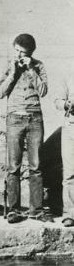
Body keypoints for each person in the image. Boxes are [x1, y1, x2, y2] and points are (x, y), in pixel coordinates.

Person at [0, 33, 48, 223]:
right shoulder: (9, 65)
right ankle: (14, 210)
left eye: (22, 52)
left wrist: (31, 69)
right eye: (16, 50)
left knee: (36, 166)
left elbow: (43, 91)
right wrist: (13, 73)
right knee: (13, 166)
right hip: (14, 118)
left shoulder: (38, 65)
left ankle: (36, 210)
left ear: (30, 53)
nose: (18, 55)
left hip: (35, 118)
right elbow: (0, 92)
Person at [54, 72, 74, 227]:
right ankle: (70, 214)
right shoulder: (68, 77)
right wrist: (67, 104)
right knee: (69, 173)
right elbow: (57, 102)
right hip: (70, 128)